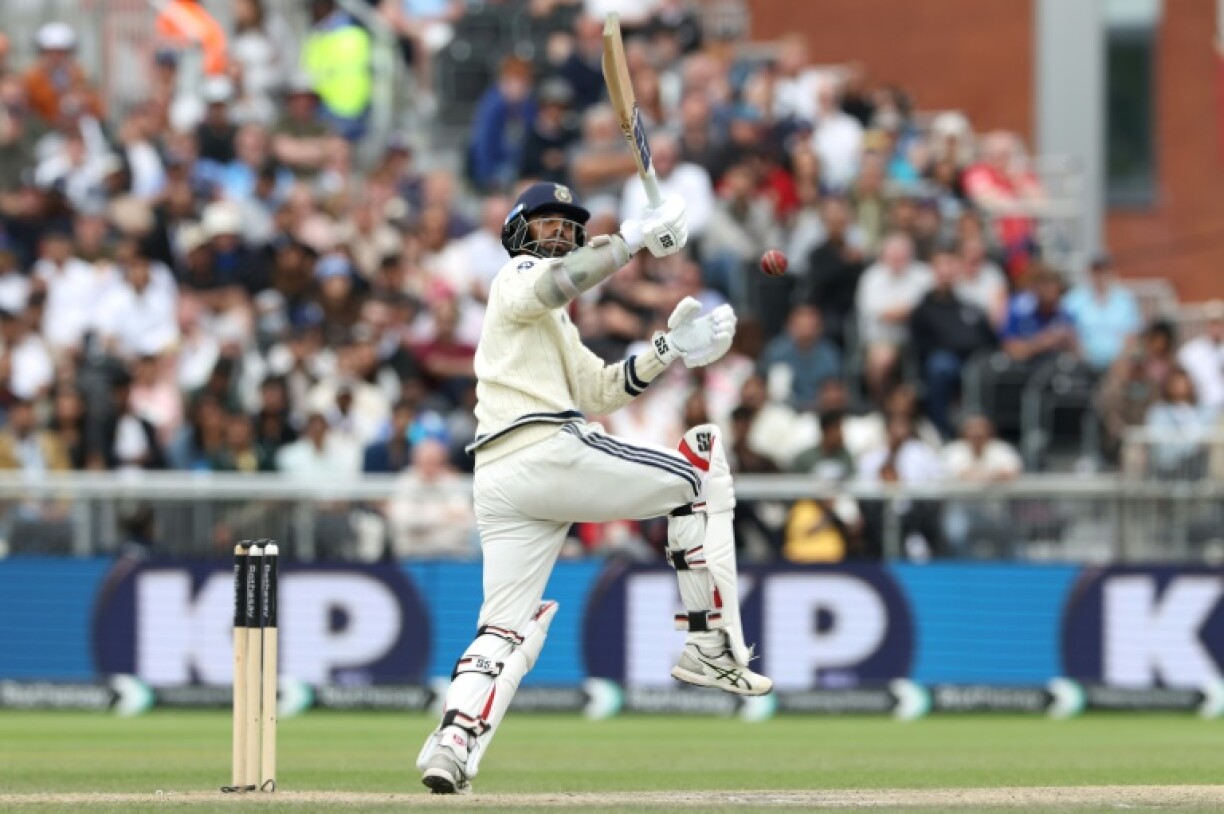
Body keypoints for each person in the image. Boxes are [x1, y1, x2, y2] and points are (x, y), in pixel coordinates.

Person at [416, 182, 772, 795]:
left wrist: (668, 350)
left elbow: (600, 391)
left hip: (501, 479)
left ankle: (452, 744)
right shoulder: (519, 276)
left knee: (505, 626)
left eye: (566, 224)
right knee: (699, 475)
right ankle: (708, 644)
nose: (557, 231)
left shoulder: (553, 319)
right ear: (518, 233)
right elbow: (557, 282)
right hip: (542, 451)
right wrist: (633, 236)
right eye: (545, 221)